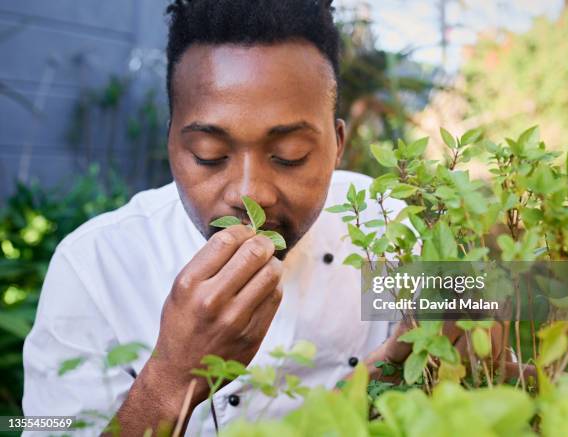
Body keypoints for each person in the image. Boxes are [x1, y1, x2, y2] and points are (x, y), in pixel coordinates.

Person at [22, 1, 504, 435]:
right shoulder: (95, 267)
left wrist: (490, 307)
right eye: (210, 154)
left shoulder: (381, 226)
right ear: (172, 144)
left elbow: (544, 300)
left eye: (290, 155)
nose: (249, 192)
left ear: (337, 146)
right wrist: (170, 379)